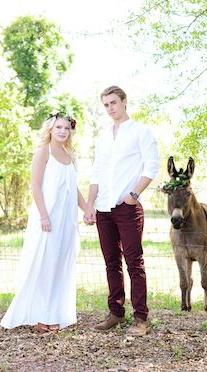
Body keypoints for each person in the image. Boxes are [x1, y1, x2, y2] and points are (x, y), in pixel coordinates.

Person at [1, 112, 86, 333]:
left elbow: (73, 188)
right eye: (58, 127)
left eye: (66, 128)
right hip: (47, 218)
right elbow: (36, 186)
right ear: (50, 128)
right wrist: (44, 215)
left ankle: (56, 314)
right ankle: (40, 315)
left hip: (67, 219)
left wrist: (86, 208)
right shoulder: (43, 152)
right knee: (44, 263)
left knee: (60, 265)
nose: (62, 131)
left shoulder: (69, 155)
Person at [84, 86, 159, 336]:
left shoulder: (140, 132)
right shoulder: (103, 138)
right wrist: (89, 205)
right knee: (111, 262)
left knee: (134, 262)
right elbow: (96, 173)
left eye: (113, 103)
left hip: (127, 208)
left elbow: (151, 167)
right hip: (103, 208)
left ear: (125, 102)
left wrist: (133, 195)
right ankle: (115, 312)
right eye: (105, 105)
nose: (110, 108)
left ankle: (140, 318)